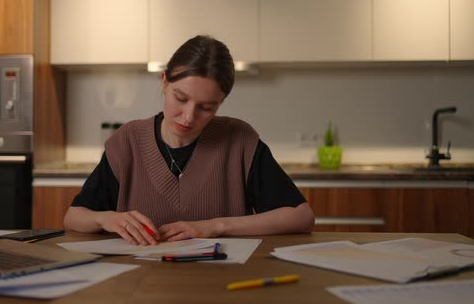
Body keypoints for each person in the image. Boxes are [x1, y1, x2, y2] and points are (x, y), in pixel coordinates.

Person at [63, 35, 314, 245]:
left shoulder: (240, 141)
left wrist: (215, 227)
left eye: (206, 107)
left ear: (220, 104)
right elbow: (74, 217)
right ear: (164, 81)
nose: (188, 117)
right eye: (181, 98)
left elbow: (301, 217)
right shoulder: (127, 141)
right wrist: (106, 219)